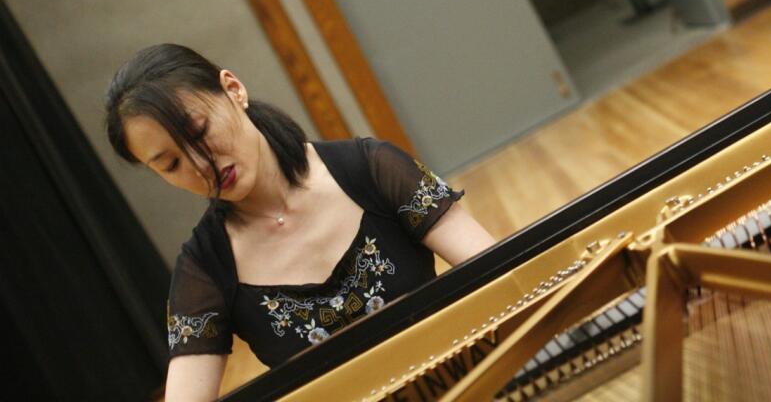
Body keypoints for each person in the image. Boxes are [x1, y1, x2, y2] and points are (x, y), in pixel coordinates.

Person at [105, 43, 495, 402]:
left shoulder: (373, 169)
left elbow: (502, 275)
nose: (199, 166)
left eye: (199, 132)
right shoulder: (204, 268)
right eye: (171, 164)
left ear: (233, 89)